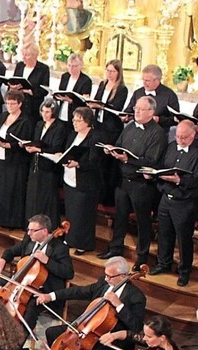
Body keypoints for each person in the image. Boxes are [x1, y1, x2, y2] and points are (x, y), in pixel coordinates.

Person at [41, 256, 146, 350]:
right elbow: (80, 291)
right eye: (106, 275)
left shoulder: (136, 296)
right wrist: (51, 296)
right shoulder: (104, 283)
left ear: (123, 276)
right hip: (89, 329)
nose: (106, 279)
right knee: (52, 333)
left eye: (110, 276)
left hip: (113, 341)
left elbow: (136, 326)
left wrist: (119, 305)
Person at [98, 96, 168, 269]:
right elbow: (119, 144)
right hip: (123, 181)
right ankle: (115, 248)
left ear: (151, 112)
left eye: (141, 109)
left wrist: (127, 160)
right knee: (120, 218)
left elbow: (152, 161)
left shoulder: (157, 133)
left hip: (141, 185)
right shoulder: (129, 127)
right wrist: (112, 150)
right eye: (136, 108)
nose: (136, 111)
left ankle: (142, 257)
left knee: (142, 222)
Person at [0, 214, 74, 333]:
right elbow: (11, 250)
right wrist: (3, 259)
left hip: (44, 288)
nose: (28, 233)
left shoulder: (59, 248)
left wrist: (47, 261)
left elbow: (68, 273)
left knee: (31, 307)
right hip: (22, 282)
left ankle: (21, 334)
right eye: (28, 229)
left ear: (44, 231)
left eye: (32, 230)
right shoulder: (29, 241)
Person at [149, 120, 198, 286]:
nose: (180, 140)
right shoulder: (171, 146)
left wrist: (179, 180)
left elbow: (196, 179)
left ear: (193, 135)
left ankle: (184, 271)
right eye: (177, 136)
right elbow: (162, 166)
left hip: (185, 203)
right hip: (166, 199)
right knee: (164, 233)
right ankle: (164, 263)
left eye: (184, 137)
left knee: (184, 239)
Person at [0, 90, 33, 229]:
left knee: (10, 190)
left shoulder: (25, 120)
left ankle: (10, 221)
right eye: (8, 103)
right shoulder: (3, 115)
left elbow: (23, 142)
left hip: (14, 161)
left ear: (20, 104)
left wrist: (7, 145)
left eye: (12, 103)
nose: (9, 106)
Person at [61, 107, 102, 253]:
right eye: (74, 120)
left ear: (88, 122)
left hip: (86, 182)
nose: (74, 123)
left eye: (78, 120)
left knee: (83, 215)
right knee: (71, 213)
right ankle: (70, 239)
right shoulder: (73, 135)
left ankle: (83, 244)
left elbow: (95, 161)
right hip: (70, 179)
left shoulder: (95, 138)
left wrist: (78, 164)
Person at [24, 98, 67, 226]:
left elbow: (57, 147)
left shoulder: (60, 127)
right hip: (36, 164)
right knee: (34, 196)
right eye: (43, 111)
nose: (44, 114)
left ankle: (48, 226)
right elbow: (36, 141)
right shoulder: (39, 124)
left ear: (54, 112)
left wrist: (38, 149)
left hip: (49, 168)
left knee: (47, 197)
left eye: (47, 112)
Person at [90, 59, 128, 206]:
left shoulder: (122, 89)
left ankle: (106, 197)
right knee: (97, 160)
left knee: (106, 164)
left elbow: (116, 108)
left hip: (111, 129)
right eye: (108, 71)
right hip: (99, 125)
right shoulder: (102, 84)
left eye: (113, 71)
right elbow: (98, 100)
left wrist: (101, 107)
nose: (109, 74)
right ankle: (97, 193)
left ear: (119, 72)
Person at [122, 65, 180, 130]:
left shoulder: (169, 95)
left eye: (147, 81)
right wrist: (126, 117)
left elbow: (176, 119)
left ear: (157, 80)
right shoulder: (138, 93)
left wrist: (159, 119)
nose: (144, 83)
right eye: (143, 80)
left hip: (158, 133)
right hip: (137, 131)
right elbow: (129, 110)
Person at [10, 44, 50, 123]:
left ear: (34, 56)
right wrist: (13, 87)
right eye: (23, 54)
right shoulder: (20, 66)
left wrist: (29, 91)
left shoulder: (43, 69)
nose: (23, 57)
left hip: (33, 107)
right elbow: (14, 80)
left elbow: (44, 90)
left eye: (27, 55)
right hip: (18, 105)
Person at [54, 52, 92, 122]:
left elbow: (84, 102)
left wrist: (70, 101)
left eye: (74, 66)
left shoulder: (86, 81)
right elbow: (61, 92)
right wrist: (56, 95)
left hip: (75, 115)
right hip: (61, 112)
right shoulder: (65, 76)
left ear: (80, 66)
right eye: (69, 65)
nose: (71, 68)